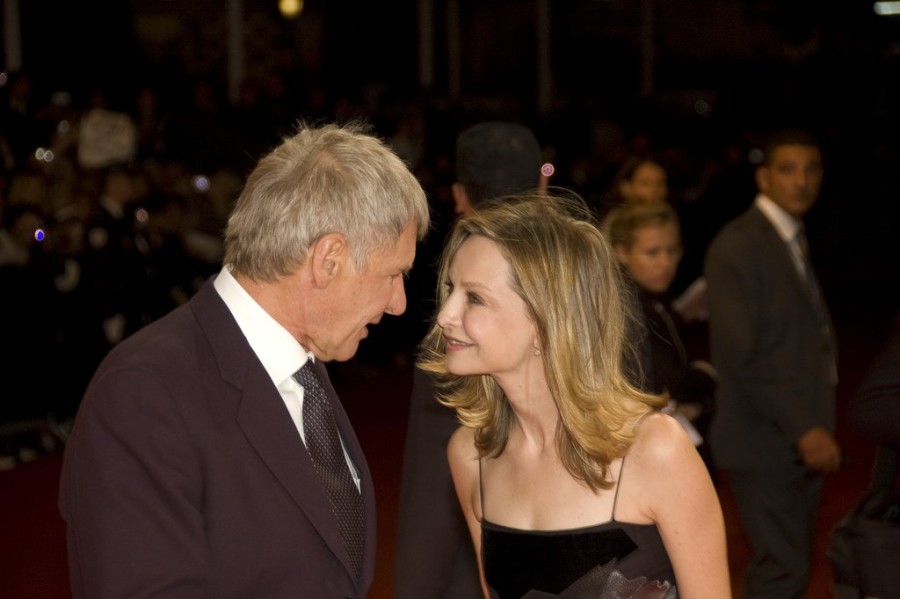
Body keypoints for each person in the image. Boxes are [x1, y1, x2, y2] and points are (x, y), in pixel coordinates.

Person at [58, 121, 430, 598]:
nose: (398, 302)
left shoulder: (303, 364)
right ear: (329, 259)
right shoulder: (140, 394)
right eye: (392, 274)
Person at [420, 194, 730, 598]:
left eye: (474, 297)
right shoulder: (469, 453)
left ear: (544, 319)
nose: (445, 314)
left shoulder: (656, 450)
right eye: (451, 289)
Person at [393, 120, 543, 599]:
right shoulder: (605, 293)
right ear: (542, 187)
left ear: (459, 195)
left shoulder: (453, 342)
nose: (451, 316)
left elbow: (429, 504)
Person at [704, 128, 840, 598]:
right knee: (780, 572)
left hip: (788, 439)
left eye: (811, 169)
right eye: (788, 169)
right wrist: (805, 428)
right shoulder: (740, 244)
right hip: (763, 441)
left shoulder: (788, 237)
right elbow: (744, 357)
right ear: (763, 178)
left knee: (790, 567)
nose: (801, 180)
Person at [604, 200, 718, 477]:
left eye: (672, 250)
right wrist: (706, 376)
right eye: (652, 253)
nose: (665, 262)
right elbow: (667, 385)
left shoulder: (655, 301)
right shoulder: (626, 309)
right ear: (621, 253)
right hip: (646, 460)